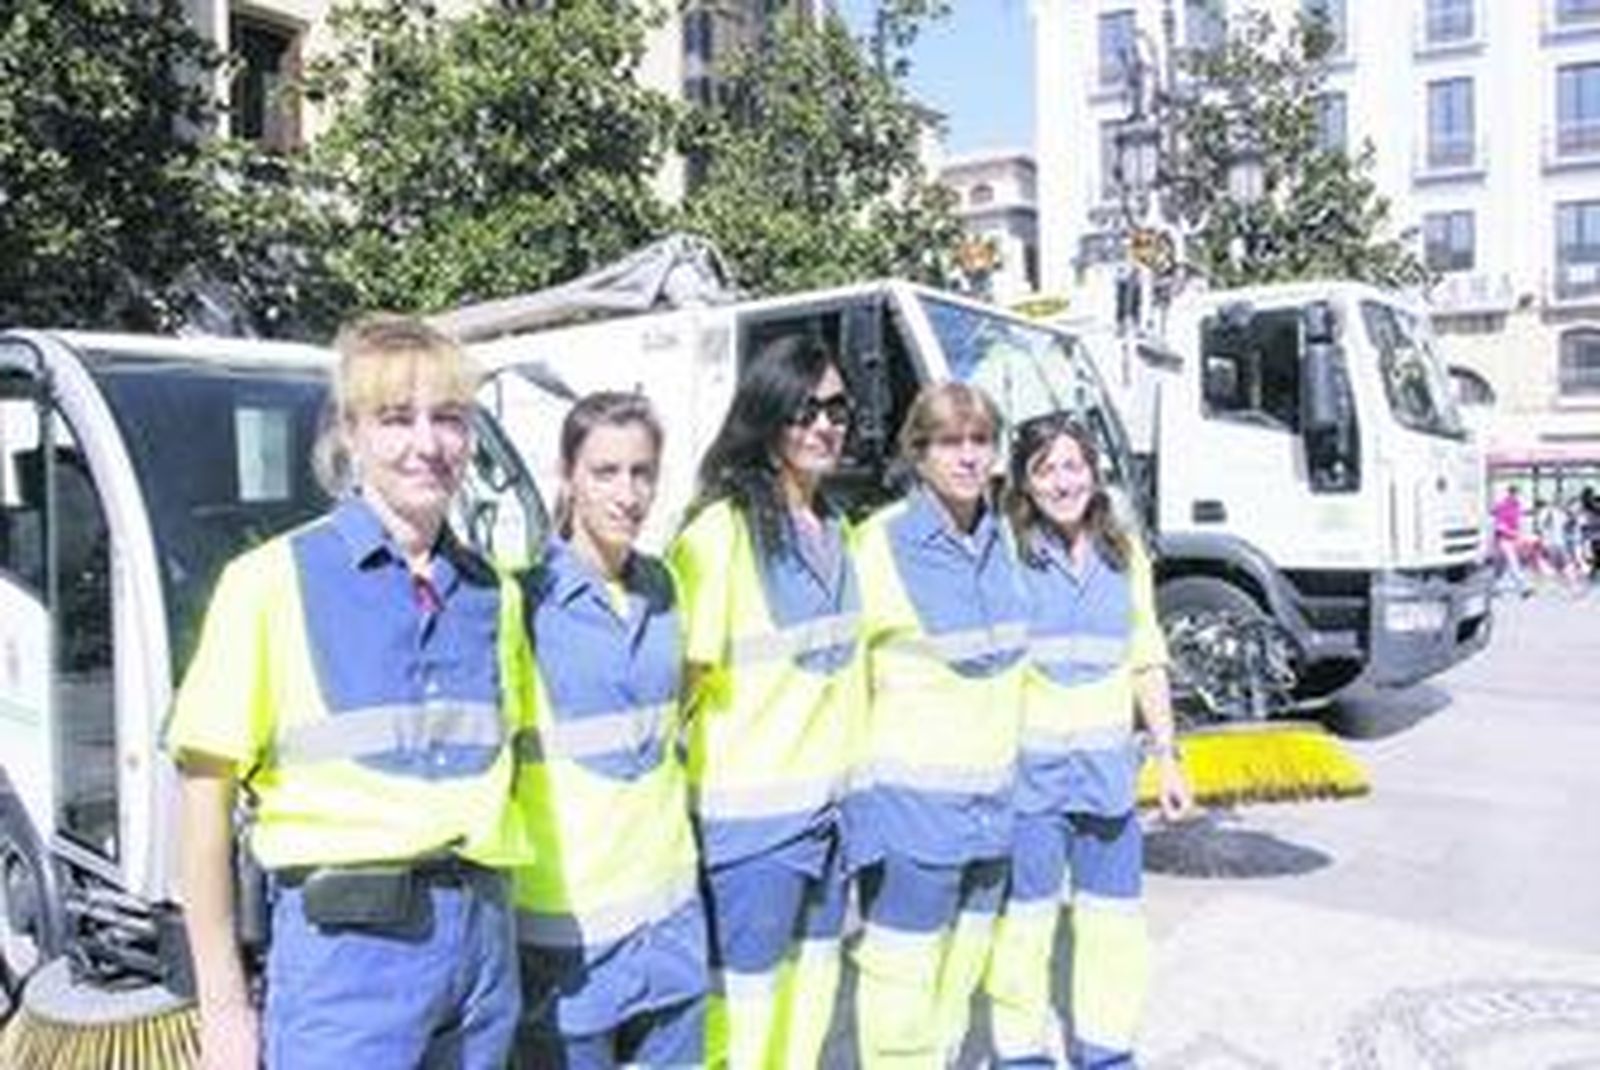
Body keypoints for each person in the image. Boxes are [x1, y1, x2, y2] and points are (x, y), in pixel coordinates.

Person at [167, 315, 528, 1069]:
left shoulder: (494, 595)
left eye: (449, 418)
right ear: (350, 435)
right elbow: (203, 802)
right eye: (396, 418)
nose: (428, 444)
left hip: (483, 952)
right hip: (347, 965)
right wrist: (224, 1007)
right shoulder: (267, 583)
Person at [668, 336, 862, 1068]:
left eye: (836, 409)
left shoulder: (839, 530)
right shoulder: (719, 534)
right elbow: (679, 693)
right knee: (740, 1019)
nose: (823, 425)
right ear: (766, 416)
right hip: (748, 835)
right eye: (803, 411)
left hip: (830, 822)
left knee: (810, 999)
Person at [986, 413, 1193, 1069]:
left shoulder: (1124, 553)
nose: (1062, 482)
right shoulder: (1004, 554)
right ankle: (1021, 1052)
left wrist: (1167, 758)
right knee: (1024, 928)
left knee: (1113, 924)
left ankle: (1106, 1049)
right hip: (1029, 786)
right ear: (1024, 482)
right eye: (1044, 469)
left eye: (1073, 465)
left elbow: (1146, 657)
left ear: (1093, 473)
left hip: (1106, 781)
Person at [512, 392, 708, 1068]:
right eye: (605, 472)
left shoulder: (666, 588)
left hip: (670, 931)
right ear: (568, 477)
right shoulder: (523, 605)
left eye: (642, 472)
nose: (628, 494)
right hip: (568, 949)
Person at [848, 381, 1029, 1067]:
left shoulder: (1006, 539)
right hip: (910, 817)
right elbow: (846, 682)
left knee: (963, 968)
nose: (968, 456)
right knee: (901, 975)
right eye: (949, 442)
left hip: (996, 811)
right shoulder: (878, 542)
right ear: (917, 452)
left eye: (980, 440)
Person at [1490, 484, 1532, 598]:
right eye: (1514, 493)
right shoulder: (1502, 505)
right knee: (1513, 563)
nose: (1517, 496)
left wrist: (1520, 536)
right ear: (1510, 493)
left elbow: (1518, 523)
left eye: (1517, 494)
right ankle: (1523, 588)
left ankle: (1495, 587)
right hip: (1503, 540)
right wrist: (1513, 533)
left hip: (1512, 539)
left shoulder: (1517, 506)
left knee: (1501, 567)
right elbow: (1499, 526)